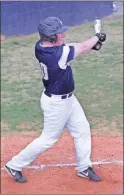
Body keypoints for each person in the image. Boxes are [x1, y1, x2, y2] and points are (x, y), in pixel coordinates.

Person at [4, 17, 106, 183]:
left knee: (82, 130)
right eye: (60, 33)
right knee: (48, 139)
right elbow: (81, 47)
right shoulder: (58, 55)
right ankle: (14, 165)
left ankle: (84, 168)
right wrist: (97, 38)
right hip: (57, 104)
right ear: (51, 37)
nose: (63, 34)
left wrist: (90, 45)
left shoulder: (41, 46)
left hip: (68, 100)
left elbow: (69, 47)